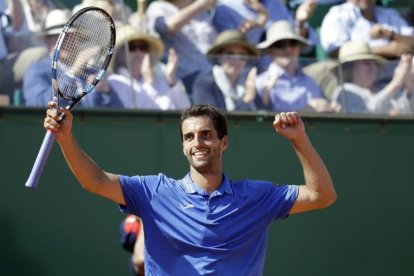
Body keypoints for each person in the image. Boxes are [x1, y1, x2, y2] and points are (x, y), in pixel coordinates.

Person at [43, 102, 337, 275]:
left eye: (206, 135)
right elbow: (94, 181)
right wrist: (66, 138)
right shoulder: (153, 191)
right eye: (190, 137)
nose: (198, 143)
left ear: (223, 143)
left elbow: (322, 195)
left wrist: (299, 139)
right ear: (183, 147)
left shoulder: (257, 197)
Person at [22, 9, 123, 108]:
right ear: (48, 41)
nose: (66, 41)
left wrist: (107, 92)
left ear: (77, 39)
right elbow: (40, 104)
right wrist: (73, 71)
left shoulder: (91, 73)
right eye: (59, 36)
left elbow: (119, 115)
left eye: (70, 36)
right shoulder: (37, 70)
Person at [255, 20, 337, 112]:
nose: (288, 49)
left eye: (293, 43)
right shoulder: (260, 82)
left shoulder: (310, 81)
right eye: (280, 45)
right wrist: (308, 110)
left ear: (299, 48)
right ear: (269, 51)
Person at [107, 24, 191, 110]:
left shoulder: (160, 79)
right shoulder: (116, 82)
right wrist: (149, 84)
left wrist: (171, 81)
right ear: (119, 55)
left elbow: (185, 110)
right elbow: (138, 115)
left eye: (143, 47)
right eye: (131, 47)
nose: (138, 52)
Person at [146, 0, 218, 94]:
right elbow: (166, 27)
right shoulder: (158, 7)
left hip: (213, 71)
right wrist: (200, 5)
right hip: (184, 76)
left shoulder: (206, 12)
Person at [332, 41, 412, 114]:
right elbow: (367, 115)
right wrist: (395, 83)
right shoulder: (344, 92)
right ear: (350, 67)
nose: (373, 67)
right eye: (367, 63)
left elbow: (407, 111)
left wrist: (409, 82)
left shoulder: (383, 88)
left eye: (375, 64)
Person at [192, 30, 261, 111]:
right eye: (230, 54)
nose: (236, 60)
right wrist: (247, 99)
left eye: (242, 55)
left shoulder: (248, 82)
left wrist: (265, 96)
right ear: (219, 57)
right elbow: (210, 119)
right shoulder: (204, 83)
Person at [319, 0, 414, 59]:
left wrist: (391, 35)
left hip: (399, 73)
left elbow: (411, 42)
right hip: (358, 79)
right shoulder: (338, 15)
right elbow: (336, 52)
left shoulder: (390, 14)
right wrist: (386, 51)